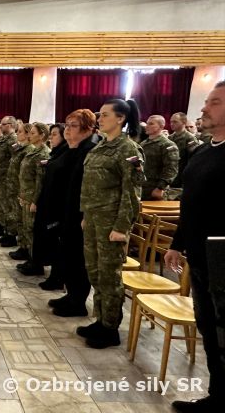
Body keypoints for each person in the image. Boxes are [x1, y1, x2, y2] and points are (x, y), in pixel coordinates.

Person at [166, 81, 225, 413]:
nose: (204, 108)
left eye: (215, 102)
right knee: (209, 330)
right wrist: (177, 243)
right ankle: (217, 396)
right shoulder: (203, 151)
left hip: (223, 259)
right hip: (201, 258)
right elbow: (189, 203)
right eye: (207, 101)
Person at [78, 98, 144, 349]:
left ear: (120, 118)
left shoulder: (128, 149)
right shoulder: (101, 147)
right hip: (94, 219)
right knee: (95, 271)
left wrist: (121, 228)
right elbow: (91, 187)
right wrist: (86, 215)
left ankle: (110, 328)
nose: (100, 119)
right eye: (100, 114)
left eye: (105, 115)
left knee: (109, 276)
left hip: (111, 224)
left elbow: (132, 193)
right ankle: (100, 319)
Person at [48, 110, 98, 316]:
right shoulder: (72, 149)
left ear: (87, 129)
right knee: (67, 255)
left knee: (77, 259)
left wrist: (85, 214)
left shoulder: (89, 151)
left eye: (73, 126)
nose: (67, 130)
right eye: (67, 126)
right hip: (67, 211)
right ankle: (71, 295)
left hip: (79, 214)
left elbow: (90, 188)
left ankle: (78, 302)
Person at [28, 123, 68, 286]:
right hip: (48, 202)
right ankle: (49, 272)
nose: (51, 137)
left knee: (56, 242)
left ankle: (57, 277)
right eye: (51, 134)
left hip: (57, 206)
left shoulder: (66, 153)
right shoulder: (55, 153)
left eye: (55, 134)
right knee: (47, 238)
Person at [17, 122, 51, 275]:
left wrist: (35, 201)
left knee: (32, 231)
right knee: (27, 228)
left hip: (33, 198)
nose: (29, 135)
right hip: (26, 195)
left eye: (33, 133)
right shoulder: (33, 151)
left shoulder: (43, 154)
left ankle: (37, 263)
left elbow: (40, 181)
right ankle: (31, 259)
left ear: (42, 135)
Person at [5, 123, 34, 260]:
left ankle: (26, 248)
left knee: (23, 222)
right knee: (18, 219)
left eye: (21, 131)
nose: (17, 133)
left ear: (28, 134)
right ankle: (22, 246)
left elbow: (27, 174)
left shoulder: (29, 150)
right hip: (14, 189)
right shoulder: (20, 148)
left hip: (21, 191)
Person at [140, 115, 179, 200]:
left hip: (155, 189)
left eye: (151, 124)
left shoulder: (167, 145)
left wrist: (160, 188)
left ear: (161, 126)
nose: (147, 126)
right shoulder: (143, 143)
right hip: (142, 187)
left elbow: (171, 169)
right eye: (147, 123)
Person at [169, 112, 198, 188]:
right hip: (170, 175)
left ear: (184, 123)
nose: (172, 124)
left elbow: (193, 159)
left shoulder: (190, 138)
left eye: (175, 122)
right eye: (171, 122)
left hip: (181, 176)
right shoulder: (170, 138)